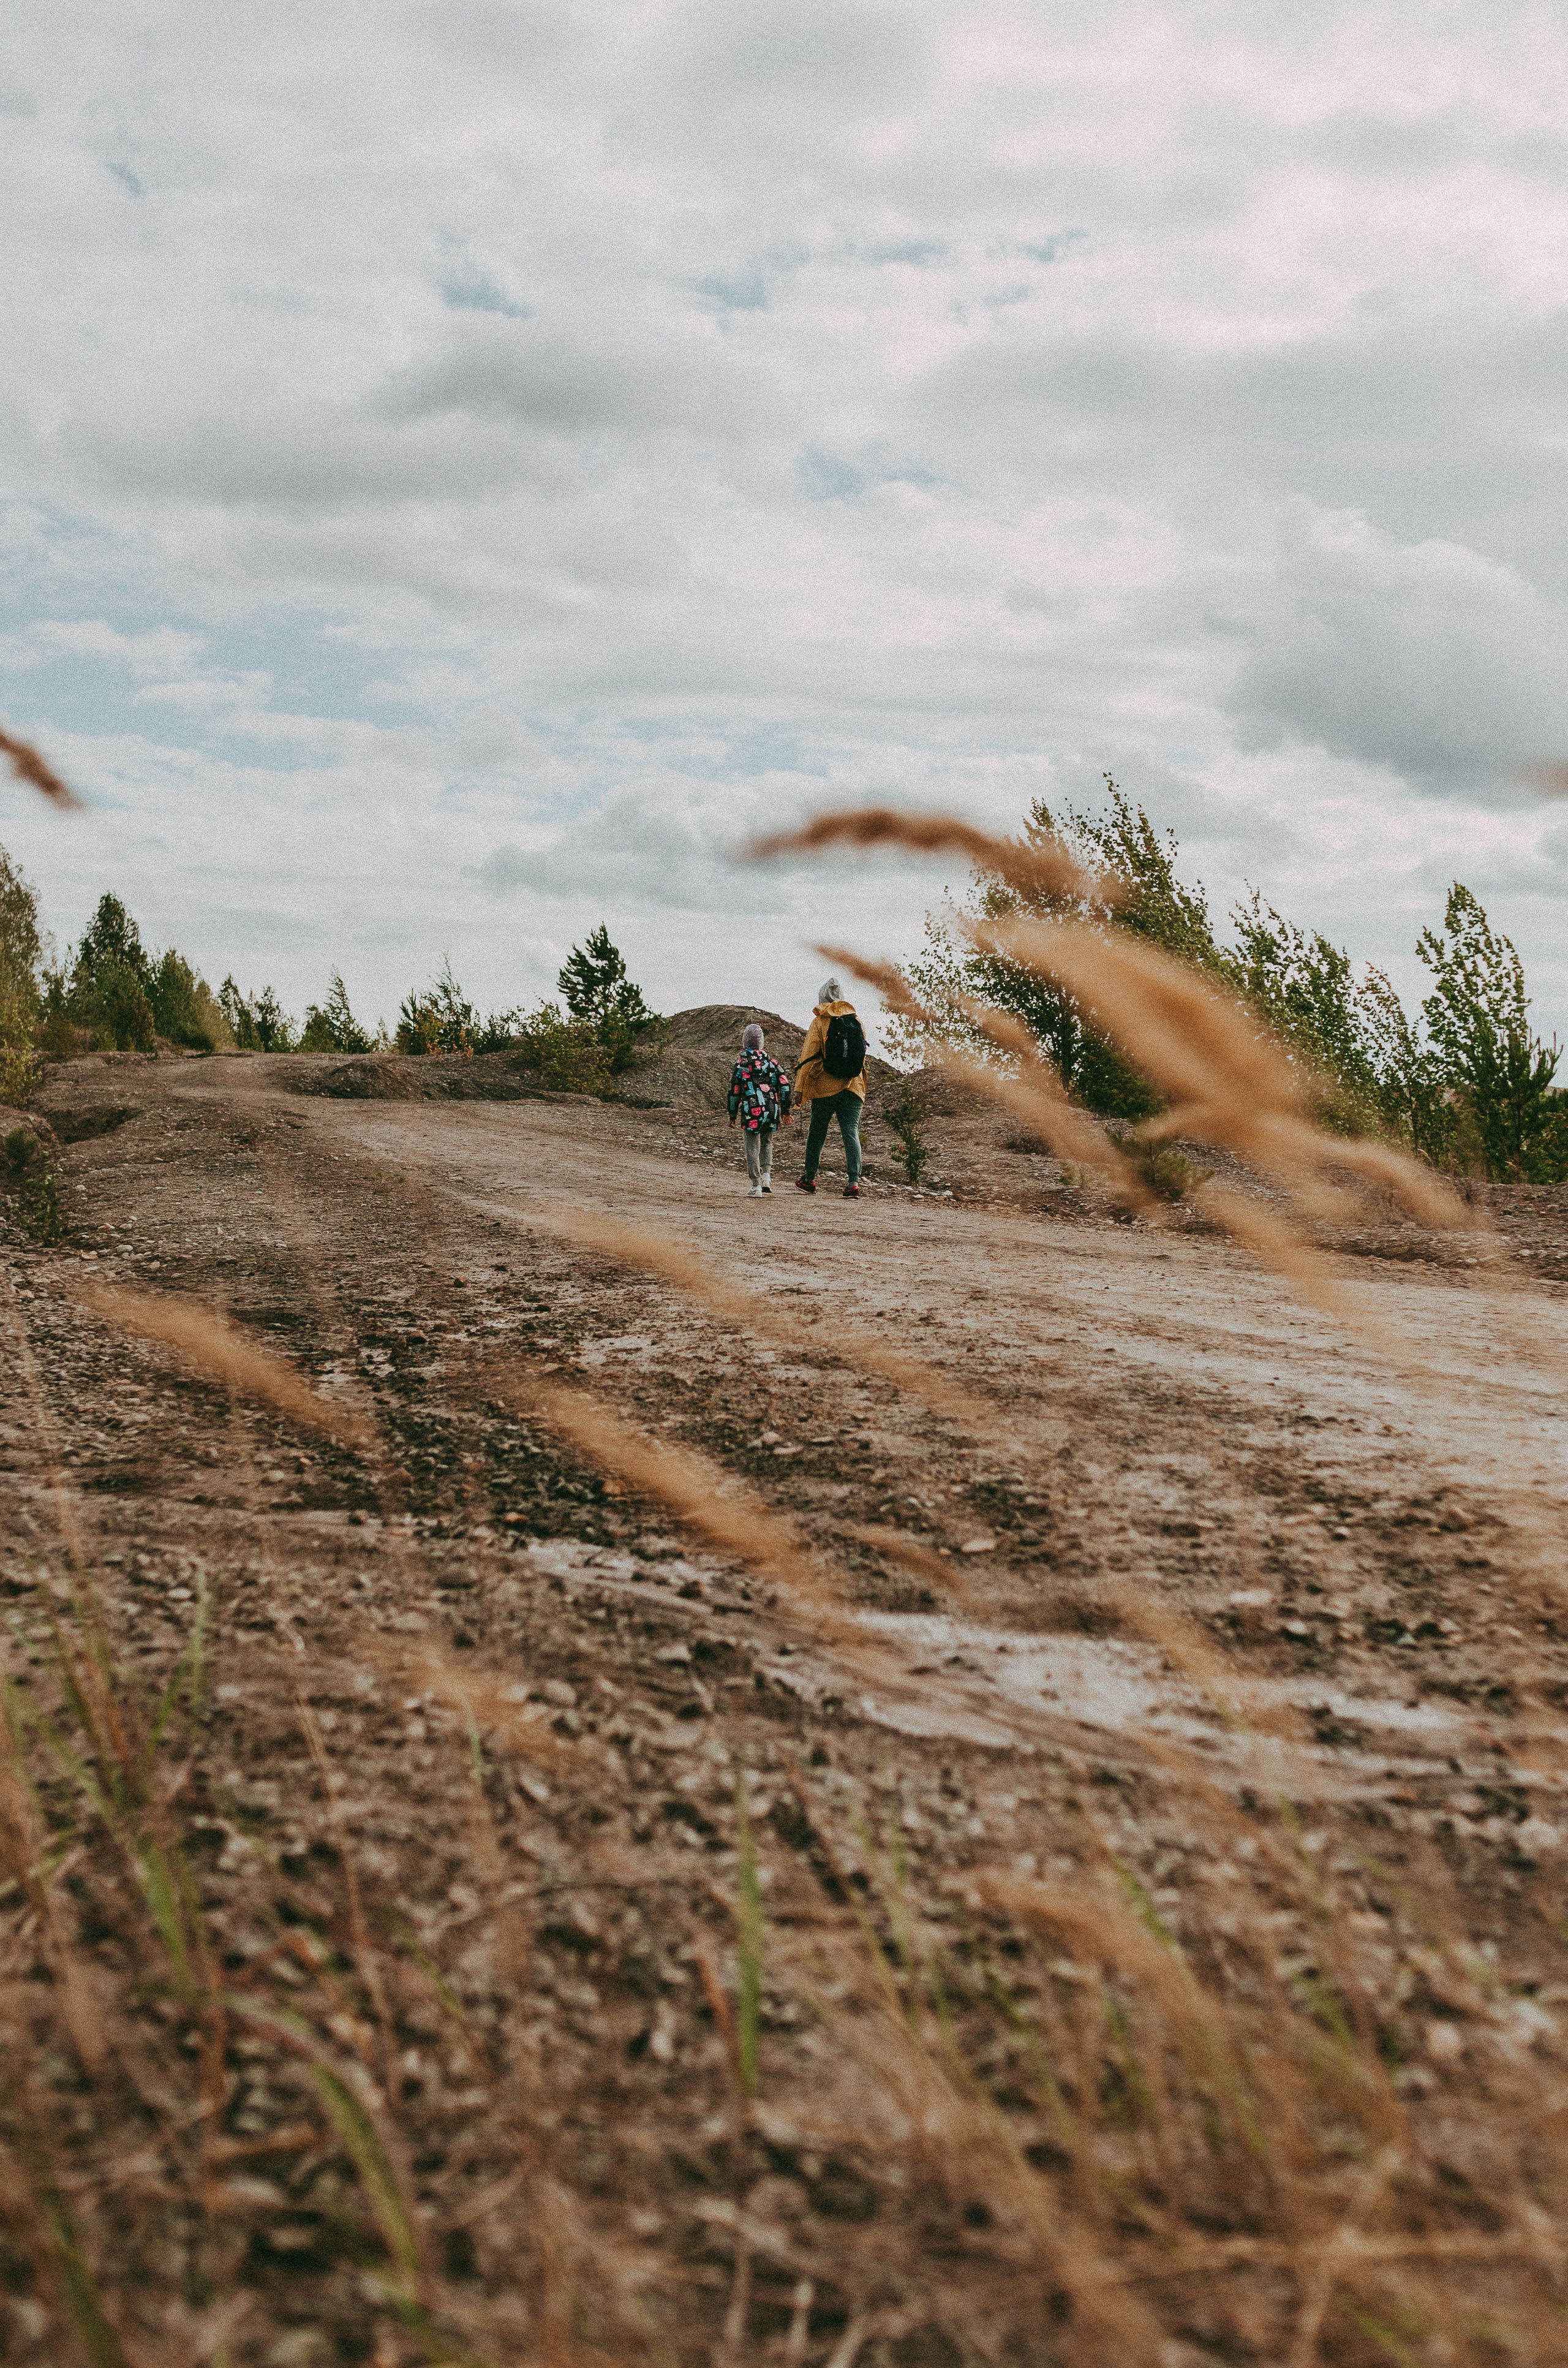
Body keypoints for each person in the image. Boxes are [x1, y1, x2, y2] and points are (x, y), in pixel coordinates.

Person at [793, 977, 867, 1198]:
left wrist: (800, 1089)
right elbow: (861, 1057)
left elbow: (808, 1056)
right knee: (851, 1133)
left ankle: (809, 1180)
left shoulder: (820, 1021)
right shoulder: (856, 1020)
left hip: (824, 1087)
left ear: (822, 997)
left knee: (817, 1132)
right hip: (853, 1087)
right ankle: (853, 1184)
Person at [726, 1021, 791, 1196]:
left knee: (752, 1147)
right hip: (771, 1108)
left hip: (751, 1110)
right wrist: (785, 1110)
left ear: (745, 1042)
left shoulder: (741, 1064)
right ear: (761, 1043)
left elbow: (735, 1091)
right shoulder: (772, 1063)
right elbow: (785, 1085)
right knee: (767, 1142)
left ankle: (756, 1186)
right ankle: (767, 1177)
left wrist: (732, 1114)